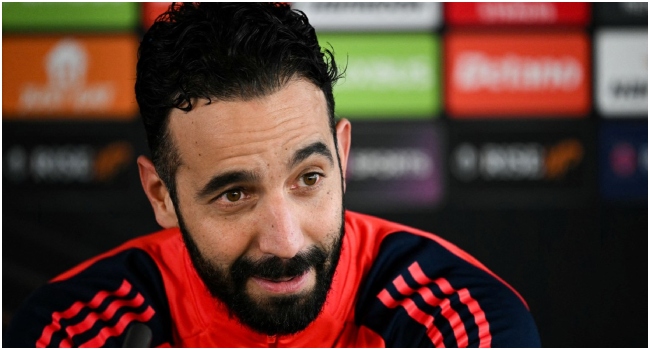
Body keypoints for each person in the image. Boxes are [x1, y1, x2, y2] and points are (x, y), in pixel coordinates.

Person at [4, 3, 541, 347]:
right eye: (234, 194)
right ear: (160, 195)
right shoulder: (72, 330)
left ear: (343, 155)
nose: (285, 241)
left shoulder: (459, 319)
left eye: (308, 178)